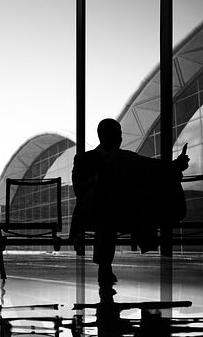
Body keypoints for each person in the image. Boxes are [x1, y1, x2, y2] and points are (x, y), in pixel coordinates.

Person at [70, 117, 189, 286]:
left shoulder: (125, 158)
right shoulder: (84, 159)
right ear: (106, 136)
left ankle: (104, 267)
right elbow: (79, 189)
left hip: (116, 211)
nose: (120, 138)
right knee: (107, 202)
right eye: (118, 134)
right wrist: (99, 179)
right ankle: (108, 265)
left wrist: (175, 166)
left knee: (110, 208)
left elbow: (154, 167)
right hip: (94, 209)